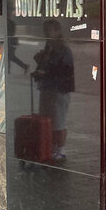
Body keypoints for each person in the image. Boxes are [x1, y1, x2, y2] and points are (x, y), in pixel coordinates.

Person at [32, 19, 74, 162]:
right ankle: (52, 147)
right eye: (45, 31)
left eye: (49, 31)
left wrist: (46, 69)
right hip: (47, 88)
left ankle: (60, 149)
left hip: (59, 90)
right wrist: (40, 65)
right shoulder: (48, 48)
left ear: (57, 31)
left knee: (59, 120)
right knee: (48, 119)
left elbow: (64, 70)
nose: (46, 34)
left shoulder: (63, 50)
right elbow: (45, 67)